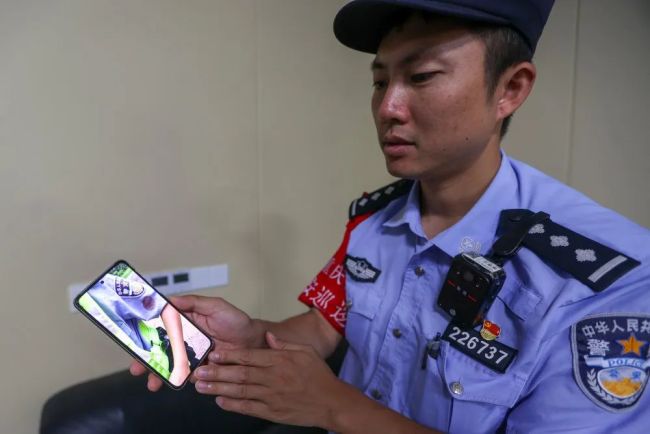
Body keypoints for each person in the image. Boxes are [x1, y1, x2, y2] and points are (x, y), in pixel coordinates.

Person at [131, 1, 650, 432]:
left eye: (421, 76)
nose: (388, 108)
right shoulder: (374, 218)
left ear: (509, 89)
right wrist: (252, 334)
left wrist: (333, 406)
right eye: (380, 82)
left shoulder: (608, 283)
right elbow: (325, 326)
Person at [82, 268, 194, 387]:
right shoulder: (85, 301)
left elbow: (166, 306)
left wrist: (181, 365)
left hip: (172, 356)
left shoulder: (103, 287)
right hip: (154, 374)